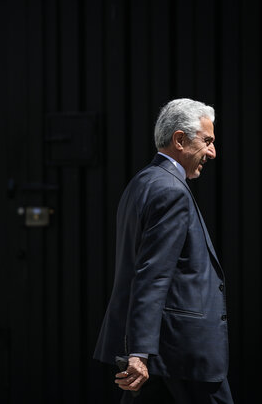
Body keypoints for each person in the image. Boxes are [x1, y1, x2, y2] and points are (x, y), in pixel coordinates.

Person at [94, 99, 233, 404]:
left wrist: (138, 349)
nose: (212, 152)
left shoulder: (142, 182)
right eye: (207, 141)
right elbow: (152, 274)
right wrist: (140, 353)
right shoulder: (170, 190)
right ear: (180, 140)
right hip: (179, 353)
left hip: (159, 349)